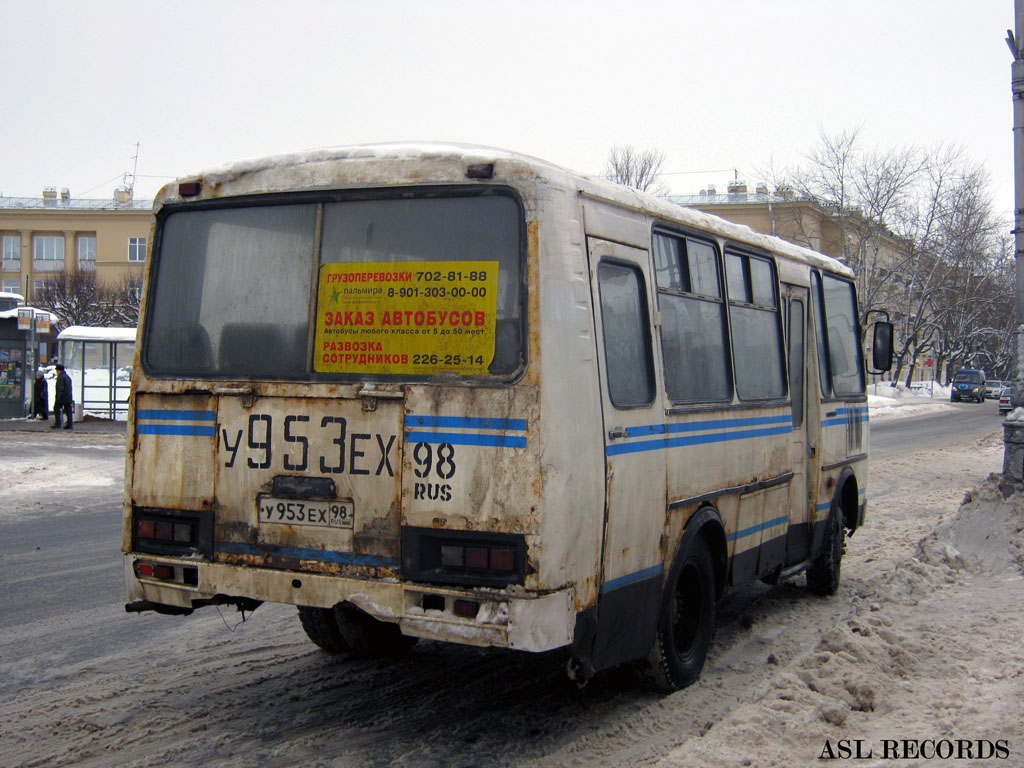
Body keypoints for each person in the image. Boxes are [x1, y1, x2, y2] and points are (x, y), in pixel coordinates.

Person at [52, 363, 73, 430]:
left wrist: (58, 398)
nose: (57, 372)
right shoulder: (67, 377)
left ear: (59, 370)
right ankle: (70, 424)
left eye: (57, 371)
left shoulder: (61, 378)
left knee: (56, 409)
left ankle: (58, 423)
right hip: (68, 397)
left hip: (62, 397)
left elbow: (60, 389)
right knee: (68, 411)